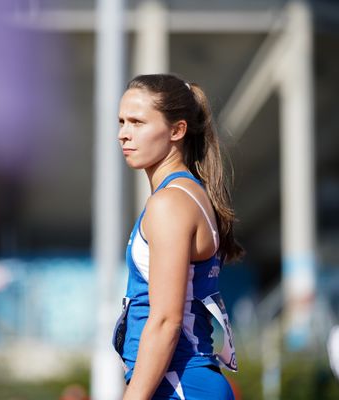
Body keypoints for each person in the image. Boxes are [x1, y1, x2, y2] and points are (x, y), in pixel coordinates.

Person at [112, 74, 244, 400]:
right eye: (122, 121)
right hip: (183, 382)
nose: (123, 134)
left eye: (138, 122)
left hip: (181, 384)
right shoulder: (188, 194)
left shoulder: (169, 203)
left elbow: (166, 321)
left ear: (177, 130)